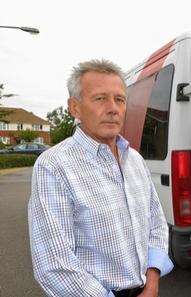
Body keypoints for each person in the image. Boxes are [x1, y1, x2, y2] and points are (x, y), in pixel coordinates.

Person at [28, 59, 173, 297]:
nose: (113, 108)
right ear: (75, 108)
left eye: (119, 99)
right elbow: (54, 264)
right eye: (100, 98)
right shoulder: (54, 166)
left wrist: (153, 279)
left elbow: (156, 223)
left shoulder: (134, 159)